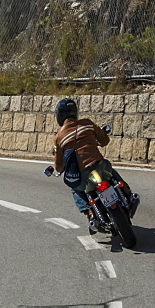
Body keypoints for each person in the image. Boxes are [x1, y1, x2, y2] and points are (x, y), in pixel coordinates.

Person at [52, 98, 138, 230]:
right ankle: (127, 193)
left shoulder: (59, 137)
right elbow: (104, 141)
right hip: (100, 167)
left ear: (59, 115)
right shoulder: (87, 124)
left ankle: (90, 213)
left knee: (74, 187)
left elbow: (59, 167)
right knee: (110, 171)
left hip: (83, 177)